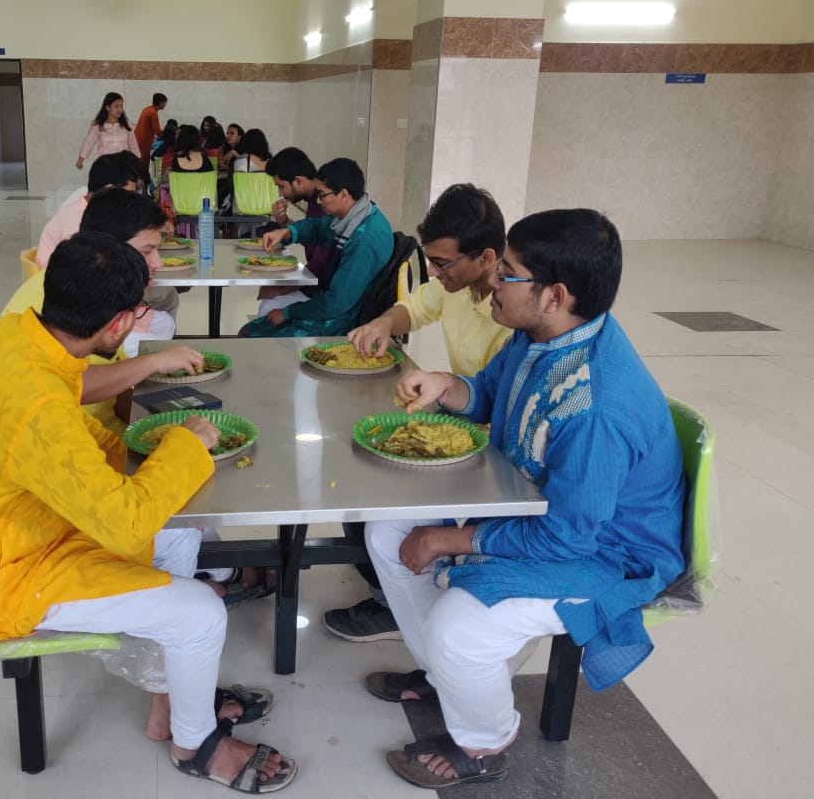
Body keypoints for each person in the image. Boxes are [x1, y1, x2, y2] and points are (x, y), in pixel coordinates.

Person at [0, 231, 298, 793]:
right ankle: (194, 746)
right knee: (201, 613)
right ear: (121, 323)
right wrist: (187, 444)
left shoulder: (11, 337)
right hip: (3, 571)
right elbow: (123, 520)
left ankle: (168, 703)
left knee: (178, 539)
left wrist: (147, 404)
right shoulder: (37, 410)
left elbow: (67, 391)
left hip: (16, 525)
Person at [365, 209, 686, 790]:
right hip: (544, 512)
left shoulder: (595, 406)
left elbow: (569, 536)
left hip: (607, 552)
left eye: (509, 273)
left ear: (555, 295)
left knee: (458, 629)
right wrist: (444, 384)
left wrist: (448, 538)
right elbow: (488, 390)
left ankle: (483, 743)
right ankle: (451, 679)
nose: (493, 280)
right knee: (387, 528)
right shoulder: (541, 334)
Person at [323, 184, 513, 644]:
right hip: (463, 409)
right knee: (358, 463)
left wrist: (448, 397)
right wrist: (383, 324)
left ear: (487, 257)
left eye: (443, 263)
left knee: (378, 498)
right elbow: (415, 306)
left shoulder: (513, 317)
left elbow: (501, 411)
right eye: (431, 259)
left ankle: (399, 602)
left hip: (489, 443)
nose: (433, 271)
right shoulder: (456, 285)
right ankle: (391, 587)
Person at [8, 187, 190, 435]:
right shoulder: (68, 294)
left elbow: (115, 394)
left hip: (98, 430)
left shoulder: (92, 283)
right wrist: (153, 362)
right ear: (110, 245)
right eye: (147, 251)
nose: (157, 263)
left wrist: (150, 427)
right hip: (68, 438)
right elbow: (71, 384)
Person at [239, 158, 391, 338]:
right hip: (337, 305)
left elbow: (337, 303)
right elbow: (318, 227)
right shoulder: (354, 216)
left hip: (347, 320)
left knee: (253, 333)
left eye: (322, 195)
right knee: (257, 325)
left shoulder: (363, 239)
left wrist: (288, 313)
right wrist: (286, 232)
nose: (318, 201)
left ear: (343, 194)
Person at [262, 147, 334, 295]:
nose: (280, 193)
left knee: (270, 304)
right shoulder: (313, 199)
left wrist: (282, 289)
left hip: (325, 289)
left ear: (299, 181)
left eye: (282, 187)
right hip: (317, 282)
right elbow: (310, 237)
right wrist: (283, 221)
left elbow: (321, 263)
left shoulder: (325, 204)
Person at [77, 92, 140, 170]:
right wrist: (80, 160)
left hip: (123, 164)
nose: (119, 109)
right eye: (116, 106)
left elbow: (133, 144)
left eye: (121, 106)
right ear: (107, 107)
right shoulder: (98, 125)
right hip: (104, 164)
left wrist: (137, 162)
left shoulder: (126, 125)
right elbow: (88, 142)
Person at [134, 93, 167, 163]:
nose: (165, 105)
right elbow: (157, 131)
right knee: (144, 163)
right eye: (165, 103)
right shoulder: (153, 113)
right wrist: (168, 135)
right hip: (144, 142)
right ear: (161, 102)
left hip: (137, 138)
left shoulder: (146, 109)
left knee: (139, 162)